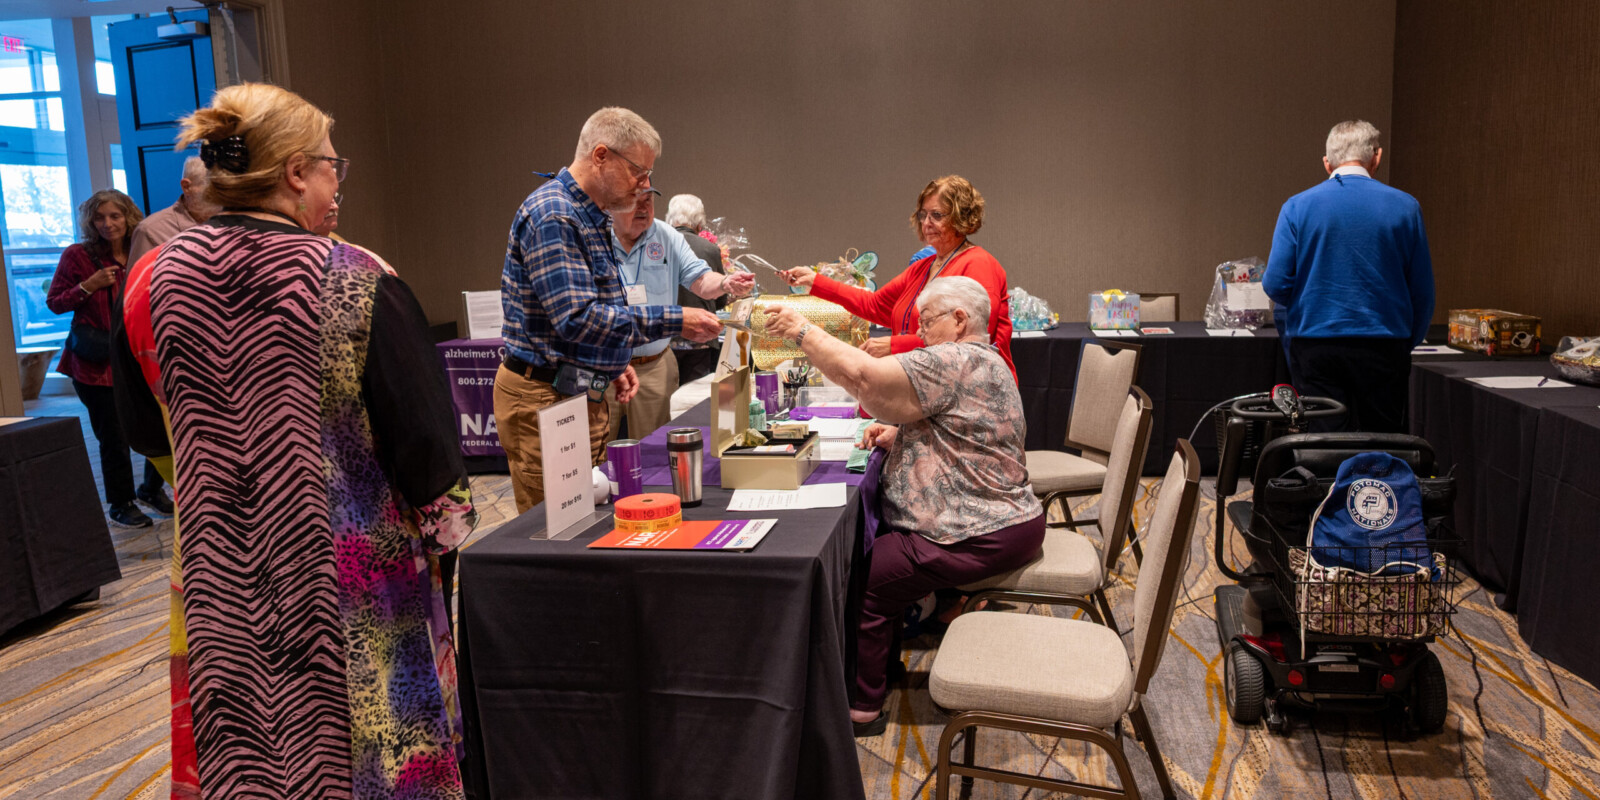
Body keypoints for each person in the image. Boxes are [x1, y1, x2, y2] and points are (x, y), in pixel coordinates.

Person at [117, 82, 474, 799]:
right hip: (352, 579)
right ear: (294, 172)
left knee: (249, 755)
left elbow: (137, 424)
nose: (336, 183)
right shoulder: (354, 279)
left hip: (223, 577)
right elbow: (428, 450)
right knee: (373, 755)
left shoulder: (155, 281)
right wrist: (446, 537)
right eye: (332, 166)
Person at [763, 276, 1045, 736]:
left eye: (926, 321)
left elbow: (866, 381)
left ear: (959, 320)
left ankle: (862, 708)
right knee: (881, 555)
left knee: (867, 579)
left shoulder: (953, 357)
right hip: (1005, 518)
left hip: (982, 530)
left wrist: (801, 330)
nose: (919, 331)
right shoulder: (985, 359)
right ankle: (881, 671)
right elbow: (967, 430)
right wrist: (903, 435)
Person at [495, 107, 722, 513]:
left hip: (574, 389)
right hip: (545, 398)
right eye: (639, 171)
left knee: (588, 519)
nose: (645, 185)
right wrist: (676, 319)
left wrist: (609, 363)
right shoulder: (555, 215)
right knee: (556, 530)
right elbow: (577, 319)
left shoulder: (589, 215)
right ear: (601, 156)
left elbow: (590, 306)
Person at [1263, 120, 1434, 433]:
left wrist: (1309, 306)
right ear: (1376, 158)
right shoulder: (1406, 207)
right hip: (1385, 345)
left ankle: (1329, 483)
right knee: (1383, 440)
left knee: (1323, 440)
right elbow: (1422, 291)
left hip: (1316, 344)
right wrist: (1403, 342)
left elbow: (1275, 284)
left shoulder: (1297, 207)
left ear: (1327, 163)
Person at [781, 175, 1017, 382]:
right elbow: (873, 305)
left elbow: (972, 339)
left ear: (961, 218)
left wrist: (895, 346)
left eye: (937, 215)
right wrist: (814, 281)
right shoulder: (923, 268)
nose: (926, 223)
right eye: (923, 215)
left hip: (973, 394)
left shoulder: (979, 264)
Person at [45, 189, 171, 528]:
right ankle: (121, 503)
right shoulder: (78, 256)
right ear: (90, 221)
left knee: (157, 426)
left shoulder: (141, 250)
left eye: (115, 216)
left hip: (139, 358)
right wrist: (88, 285)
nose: (107, 223)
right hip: (95, 365)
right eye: (99, 217)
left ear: (128, 217)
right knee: (113, 437)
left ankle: (150, 488)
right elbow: (55, 302)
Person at [604, 189, 753, 440]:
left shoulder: (666, 236)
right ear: (613, 204)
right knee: (597, 455)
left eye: (648, 200)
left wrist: (726, 282)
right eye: (635, 201)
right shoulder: (594, 237)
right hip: (603, 367)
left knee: (651, 452)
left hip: (653, 366)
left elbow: (701, 278)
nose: (643, 208)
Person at [665, 193, 729, 383]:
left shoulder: (658, 246)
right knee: (693, 403)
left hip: (666, 338)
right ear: (700, 223)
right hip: (701, 338)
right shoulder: (710, 249)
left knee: (666, 400)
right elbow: (720, 300)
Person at [126, 156, 223, 262]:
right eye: (214, 187)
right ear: (186, 187)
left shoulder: (232, 222)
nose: (223, 195)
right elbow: (139, 278)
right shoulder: (151, 230)